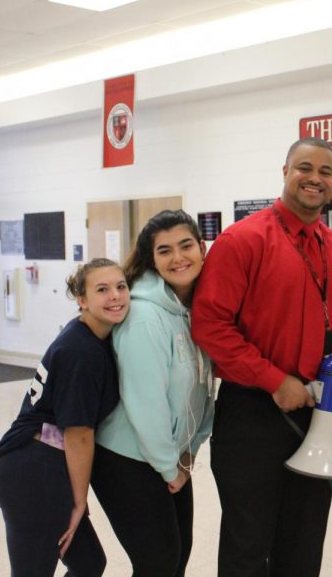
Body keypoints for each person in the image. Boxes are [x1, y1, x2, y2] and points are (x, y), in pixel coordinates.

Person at [192, 136, 332, 577]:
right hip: (252, 415)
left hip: (318, 416)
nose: (315, 178)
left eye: (325, 172)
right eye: (304, 168)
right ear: (285, 171)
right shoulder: (242, 241)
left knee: (304, 544)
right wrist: (275, 381)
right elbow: (210, 325)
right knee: (247, 547)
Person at [90, 210, 215, 576]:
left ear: (202, 247)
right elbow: (146, 403)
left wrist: (191, 447)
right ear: (152, 259)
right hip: (128, 458)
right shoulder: (145, 317)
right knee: (158, 563)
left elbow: (201, 387)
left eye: (185, 245)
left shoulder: (194, 309)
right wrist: (167, 466)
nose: (178, 258)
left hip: (168, 454)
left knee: (177, 556)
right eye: (164, 251)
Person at [0, 258, 129, 577]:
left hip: (42, 468)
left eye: (121, 287)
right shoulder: (82, 352)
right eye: (102, 290)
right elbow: (78, 434)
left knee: (89, 563)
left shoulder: (85, 332)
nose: (115, 296)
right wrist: (79, 501)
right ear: (82, 300)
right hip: (32, 472)